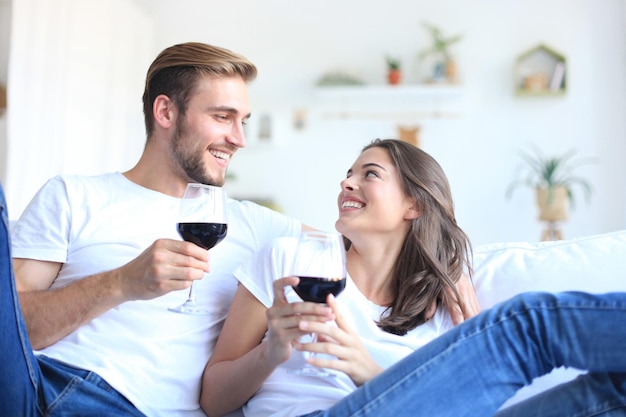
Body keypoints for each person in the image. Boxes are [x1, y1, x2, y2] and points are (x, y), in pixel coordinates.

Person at [3, 44, 477, 417]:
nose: (239, 138)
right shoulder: (72, 196)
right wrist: (120, 283)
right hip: (49, 384)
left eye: (244, 120)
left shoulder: (256, 225)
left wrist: (444, 266)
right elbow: (13, 328)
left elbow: (371, 237)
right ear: (165, 113)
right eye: (222, 117)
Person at [201, 139, 626, 417]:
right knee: (528, 325)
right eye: (348, 174)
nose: (347, 182)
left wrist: (368, 369)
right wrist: (271, 352)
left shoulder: (440, 301)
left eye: (369, 174)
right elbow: (214, 400)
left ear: (414, 206)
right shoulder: (291, 259)